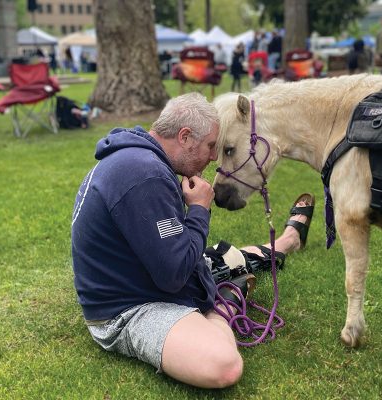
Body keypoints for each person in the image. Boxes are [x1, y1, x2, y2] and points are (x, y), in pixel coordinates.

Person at [71, 93, 314, 389]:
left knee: (230, 259)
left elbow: (174, 253)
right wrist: (199, 209)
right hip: (125, 310)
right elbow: (174, 275)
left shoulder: (136, 157)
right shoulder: (144, 174)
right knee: (223, 365)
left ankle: (287, 241)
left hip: (145, 276)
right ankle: (229, 300)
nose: (214, 157)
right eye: (211, 146)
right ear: (185, 137)